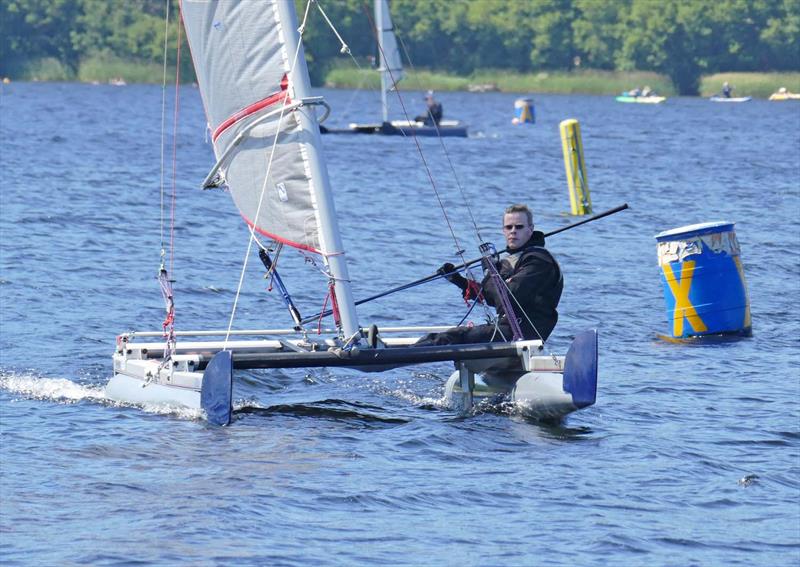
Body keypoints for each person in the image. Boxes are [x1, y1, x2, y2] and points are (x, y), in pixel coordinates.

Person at [415, 204, 563, 346]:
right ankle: (401, 354)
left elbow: (507, 298)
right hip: (506, 328)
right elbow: (491, 296)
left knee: (453, 337)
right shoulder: (512, 260)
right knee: (449, 336)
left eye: (519, 227)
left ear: (530, 230)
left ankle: (404, 355)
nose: (513, 231)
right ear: (503, 231)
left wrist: (490, 271)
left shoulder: (538, 261)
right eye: (508, 227)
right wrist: (457, 279)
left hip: (523, 334)